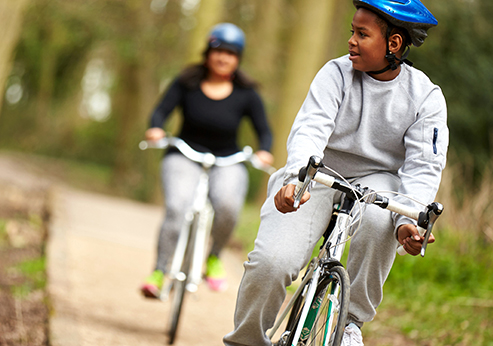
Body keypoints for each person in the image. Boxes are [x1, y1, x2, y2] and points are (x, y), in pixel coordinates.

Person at [223, 1, 448, 345]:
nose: (351, 41)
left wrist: (409, 221)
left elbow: (423, 165)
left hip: (377, 182)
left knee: (379, 217)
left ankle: (349, 322)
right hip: (317, 174)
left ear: (394, 44)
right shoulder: (336, 73)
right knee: (271, 262)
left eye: (362, 34)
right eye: (351, 32)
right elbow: (310, 129)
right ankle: (246, 341)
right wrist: (297, 181)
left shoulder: (425, 97)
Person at [140, 23, 274, 298]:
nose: (224, 58)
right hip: (184, 154)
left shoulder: (247, 93)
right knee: (177, 208)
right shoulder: (186, 82)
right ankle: (159, 270)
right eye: (218, 51)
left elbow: (264, 130)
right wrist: (155, 129)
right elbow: (160, 113)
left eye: (231, 53)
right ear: (208, 53)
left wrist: (264, 149)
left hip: (228, 159)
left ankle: (213, 257)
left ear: (238, 59)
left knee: (227, 205)